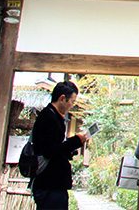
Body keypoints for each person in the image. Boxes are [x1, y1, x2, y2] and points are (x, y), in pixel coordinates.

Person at [29, 80, 89, 209]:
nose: (72, 106)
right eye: (72, 102)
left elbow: (56, 147)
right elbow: (50, 151)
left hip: (52, 185)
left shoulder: (53, 116)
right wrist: (76, 141)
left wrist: (70, 149)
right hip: (49, 185)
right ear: (62, 99)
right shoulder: (49, 118)